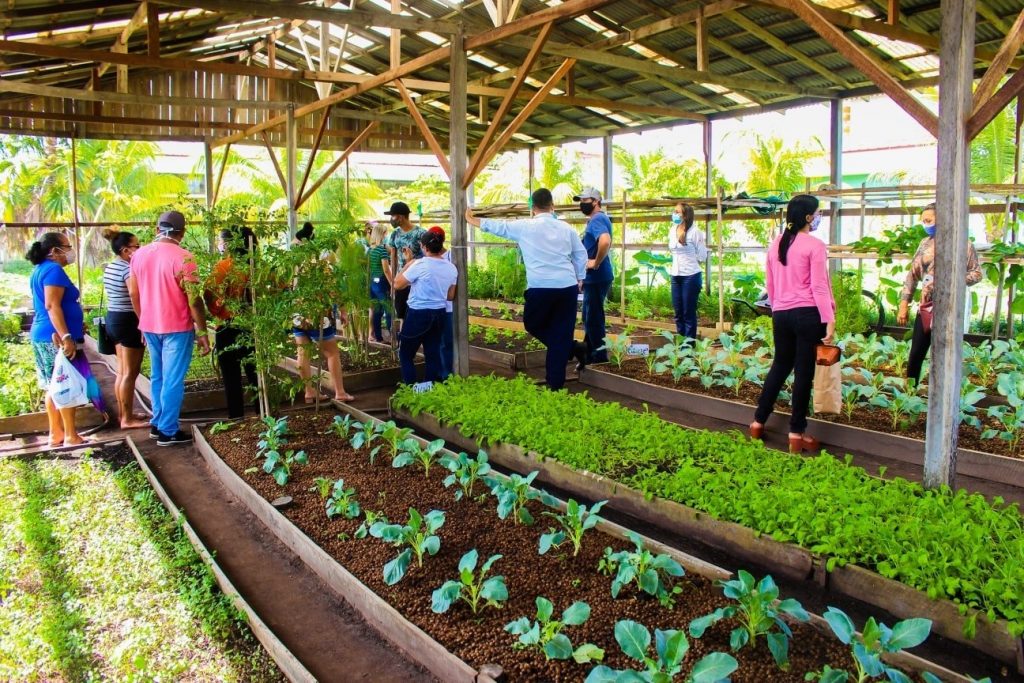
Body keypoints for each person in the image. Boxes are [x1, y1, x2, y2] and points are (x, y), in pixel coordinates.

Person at [465, 188, 587, 390]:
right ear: (552, 205)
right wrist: (580, 278)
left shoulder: (525, 227)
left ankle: (571, 348)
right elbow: (580, 254)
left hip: (541, 287)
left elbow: (499, 227)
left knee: (533, 324)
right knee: (562, 332)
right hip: (567, 287)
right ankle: (556, 383)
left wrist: (472, 220)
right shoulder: (566, 228)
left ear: (533, 208)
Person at [749, 195, 835, 454]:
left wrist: (779, 310)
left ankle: (758, 422)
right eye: (818, 213)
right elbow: (819, 286)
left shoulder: (776, 243)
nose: (819, 217)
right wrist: (829, 318)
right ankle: (796, 433)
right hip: (808, 314)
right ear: (808, 217)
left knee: (780, 365)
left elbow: (770, 284)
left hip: (781, 314)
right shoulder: (815, 245)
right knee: (803, 373)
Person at [129, 211, 210, 446]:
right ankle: (168, 431)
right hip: (177, 327)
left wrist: (142, 321)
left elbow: (133, 292)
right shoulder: (184, 257)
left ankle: (158, 423)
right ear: (182, 233)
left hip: (150, 326)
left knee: (159, 376)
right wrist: (202, 331)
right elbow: (194, 299)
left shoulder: (138, 255)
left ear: (157, 229)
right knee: (173, 379)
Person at [28, 232, 107, 446]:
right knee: (65, 382)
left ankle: (56, 433)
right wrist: (66, 336)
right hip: (54, 337)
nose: (70, 252)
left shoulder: (40, 269)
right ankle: (71, 435)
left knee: (53, 384)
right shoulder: (53, 270)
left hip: (43, 334)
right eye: (67, 247)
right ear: (54, 251)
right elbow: (52, 305)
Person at [897, 202, 982, 387]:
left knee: (945, 353)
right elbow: (912, 275)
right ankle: (910, 393)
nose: (925, 224)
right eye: (923, 221)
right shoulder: (925, 243)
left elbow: (976, 274)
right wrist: (904, 303)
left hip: (950, 308)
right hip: (926, 306)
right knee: (916, 352)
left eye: (929, 220)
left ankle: (944, 394)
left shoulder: (963, 244)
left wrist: (951, 280)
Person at [292, 222, 354, 403]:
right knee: (331, 352)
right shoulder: (320, 265)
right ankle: (340, 392)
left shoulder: (293, 264)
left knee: (302, 352)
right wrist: (343, 310)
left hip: (297, 313)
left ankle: (309, 392)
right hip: (317, 313)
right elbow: (333, 290)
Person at [205, 226, 259, 418]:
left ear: (229, 244)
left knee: (231, 376)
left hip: (227, 326)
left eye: (221, 241)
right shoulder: (258, 266)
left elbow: (210, 295)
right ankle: (264, 414)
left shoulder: (224, 266)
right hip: (254, 325)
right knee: (256, 373)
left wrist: (219, 310)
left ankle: (236, 417)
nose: (220, 244)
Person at [392, 230, 457, 384]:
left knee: (406, 353)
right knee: (432, 353)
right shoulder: (451, 267)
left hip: (418, 314)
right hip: (440, 313)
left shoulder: (420, 264)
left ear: (424, 247)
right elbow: (450, 296)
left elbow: (397, 284)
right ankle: (429, 387)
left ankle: (410, 388)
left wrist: (408, 264)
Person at [101, 228, 149, 429]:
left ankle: (124, 414)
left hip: (114, 318)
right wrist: (143, 321)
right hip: (128, 320)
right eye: (136, 246)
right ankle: (127, 419)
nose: (140, 248)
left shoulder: (111, 266)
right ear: (125, 250)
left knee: (122, 372)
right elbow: (133, 293)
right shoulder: (127, 269)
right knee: (130, 372)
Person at [573, 187, 614, 369]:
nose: (582, 204)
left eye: (585, 200)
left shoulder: (597, 219)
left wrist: (595, 263)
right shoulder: (596, 219)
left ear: (596, 201)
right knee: (590, 316)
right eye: (581, 201)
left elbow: (605, 241)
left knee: (593, 318)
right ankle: (589, 354)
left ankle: (599, 358)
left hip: (598, 276)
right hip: (594, 277)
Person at [381, 201, 425, 331]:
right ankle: (403, 339)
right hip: (401, 280)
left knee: (416, 313)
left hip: (418, 281)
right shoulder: (395, 234)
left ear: (400, 217)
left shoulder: (420, 233)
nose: (391, 219)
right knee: (401, 314)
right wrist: (393, 281)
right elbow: (393, 258)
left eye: (393, 216)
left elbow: (428, 256)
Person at [668, 202, 708, 341]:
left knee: (688, 312)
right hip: (675, 275)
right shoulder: (672, 230)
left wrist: (690, 258)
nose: (674, 214)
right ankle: (680, 343)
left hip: (691, 276)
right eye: (674, 211)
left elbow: (702, 256)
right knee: (678, 312)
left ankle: (689, 346)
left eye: (677, 212)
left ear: (685, 215)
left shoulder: (695, 232)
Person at [427, 225, 455, 378]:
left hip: (447, 307)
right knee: (433, 342)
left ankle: (446, 375)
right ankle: (435, 374)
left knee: (445, 343)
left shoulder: (451, 256)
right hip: (432, 307)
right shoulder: (426, 258)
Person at [367, 222, 393, 343]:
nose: (386, 235)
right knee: (388, 309)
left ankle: (378, 337)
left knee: (377, 310)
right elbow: (386, 270)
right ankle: (393, 337)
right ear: (381, 234)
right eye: (385, 233)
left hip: (372, 282)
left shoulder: (370, 250)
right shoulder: (381, 251)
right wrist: (393, 284)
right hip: (382, 281)